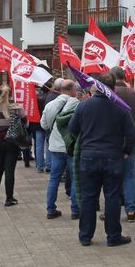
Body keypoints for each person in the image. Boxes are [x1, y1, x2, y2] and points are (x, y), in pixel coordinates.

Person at [69, 73, 135, 247]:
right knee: (112, 197)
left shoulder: (84, 106)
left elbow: (72, 128)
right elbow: (131, 134)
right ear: (113, 88)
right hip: (113, 157)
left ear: (96, 87)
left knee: (89, 198)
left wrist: (87, 137)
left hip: (89, 157)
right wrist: (126, 151)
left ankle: (85, 236)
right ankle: (113, 236)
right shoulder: (120, 108)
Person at [110, 67, 135, 222]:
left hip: (113, 141)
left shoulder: (110, 94)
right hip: (133, 140)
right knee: (129, 176)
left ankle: (112, 210)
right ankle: (130, 210)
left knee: (112, 177)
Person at [40, 79, 80, 219]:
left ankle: (51, 209)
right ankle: (75, 210)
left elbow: (44, 125)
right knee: (75, 178)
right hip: (72, 147)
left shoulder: (50, 105)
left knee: (54, 178)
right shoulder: (77, 104)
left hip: (56, 147)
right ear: (72, 90)